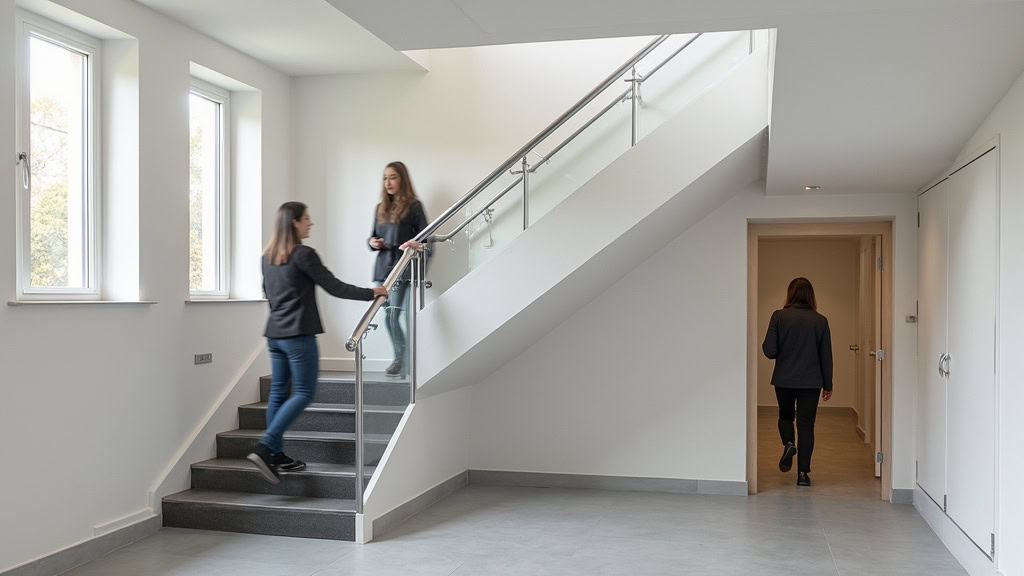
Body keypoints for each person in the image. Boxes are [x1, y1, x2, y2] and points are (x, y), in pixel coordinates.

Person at [248, 201, 388, 485]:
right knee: (304, 392)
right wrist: (372, 293)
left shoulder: (267, 257)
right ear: (294, 222)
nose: (310, 223)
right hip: (299, 335)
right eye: (306, 219)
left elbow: (268, 293)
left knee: (278, 394)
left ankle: (275, 455)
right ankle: (265, 446)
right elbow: (334, 286)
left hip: (274, 334)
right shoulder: (303, 254)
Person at [762, 277, 833, 487]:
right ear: (811, 296)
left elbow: (769, 351)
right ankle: (803, 474)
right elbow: (826, 356)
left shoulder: (778, 316)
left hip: (784, 379)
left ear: (790, 294)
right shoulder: (820, 321)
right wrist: (828, 384)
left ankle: (788, 443)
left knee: (785, 416)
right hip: (811, 382)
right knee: (806, 425)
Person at [368, 161, 427, 377]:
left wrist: (411, 243)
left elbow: (425, 237)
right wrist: (373, 242)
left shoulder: (414, 206)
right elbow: (372, 236)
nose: (388, 182)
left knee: (393, 315)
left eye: (392, 177)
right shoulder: (380, 208)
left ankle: (402, 359)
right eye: (385, 178)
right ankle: (402, 359)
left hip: (402, 269)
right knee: (387, 315)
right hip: (382, 269)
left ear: (402, 179)